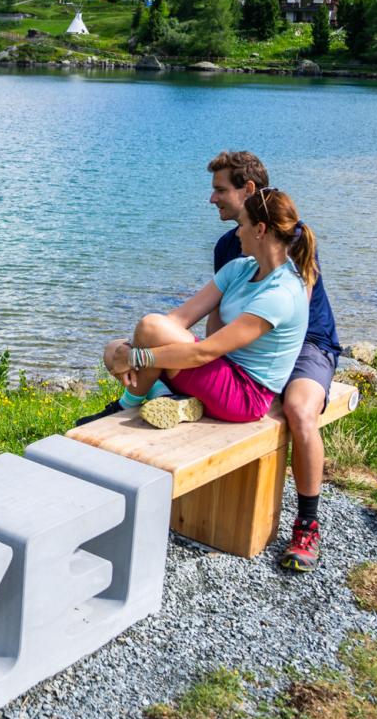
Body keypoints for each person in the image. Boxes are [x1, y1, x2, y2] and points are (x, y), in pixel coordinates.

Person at [206, 150, 341, 574]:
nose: (212, 199)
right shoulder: (228, 245)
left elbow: (292, 318)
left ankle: (307, 524)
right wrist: (207, 353)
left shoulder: (292, 239)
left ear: (248, 190)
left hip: (306, 343)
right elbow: (221, 309)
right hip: (251, 340)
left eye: (220, 190)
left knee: (299, 409)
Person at [97, 188, 314, 437]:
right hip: (222, 369)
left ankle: (125, 406)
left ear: (260, 229)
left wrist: (136, 357)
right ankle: (167, 397)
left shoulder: (281, 293)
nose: (237, 232)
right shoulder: (240, 268)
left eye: (242, 225)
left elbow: (205, 352)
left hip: (246, 395)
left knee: (148, 329)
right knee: (114, 349)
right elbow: (178, 319)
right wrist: (132, 348)